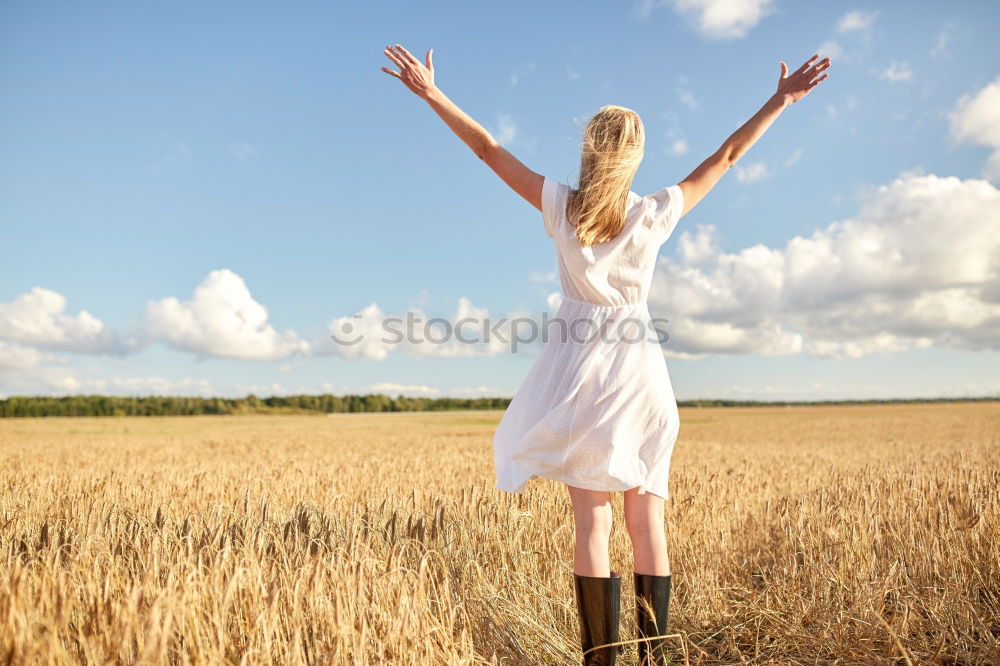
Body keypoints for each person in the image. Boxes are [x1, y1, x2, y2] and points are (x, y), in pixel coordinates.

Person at [380, 43, 830, 666]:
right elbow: (725, 157)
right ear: (635, 155)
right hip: (638, 373)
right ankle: (655, 657)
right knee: (648, 522)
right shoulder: (653, 214)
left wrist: (432, 95)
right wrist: (780, 102)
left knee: (591, 524)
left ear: (588, 149)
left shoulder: (560, 206)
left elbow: (487, 148)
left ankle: (602, 660)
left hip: (577, 374)